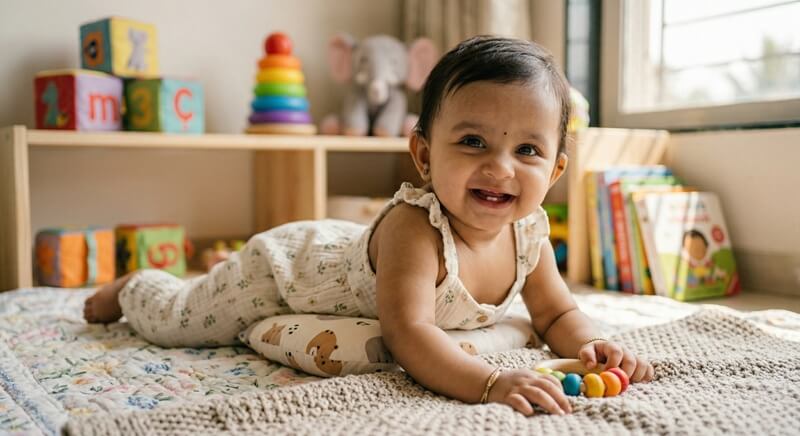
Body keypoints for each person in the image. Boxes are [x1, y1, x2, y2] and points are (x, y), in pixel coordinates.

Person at [84, 36, 653, 416]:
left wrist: (595, 345)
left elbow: (556, 313)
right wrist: (489, 383)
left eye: (527, 149)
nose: (499, 167)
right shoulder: (416, 228)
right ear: (425, 157)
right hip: (287, 269)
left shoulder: (528, 234)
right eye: (473, 141)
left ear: (555, 170)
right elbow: (410, 334)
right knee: (185, 321)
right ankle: (136, 286)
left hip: (339, 251)